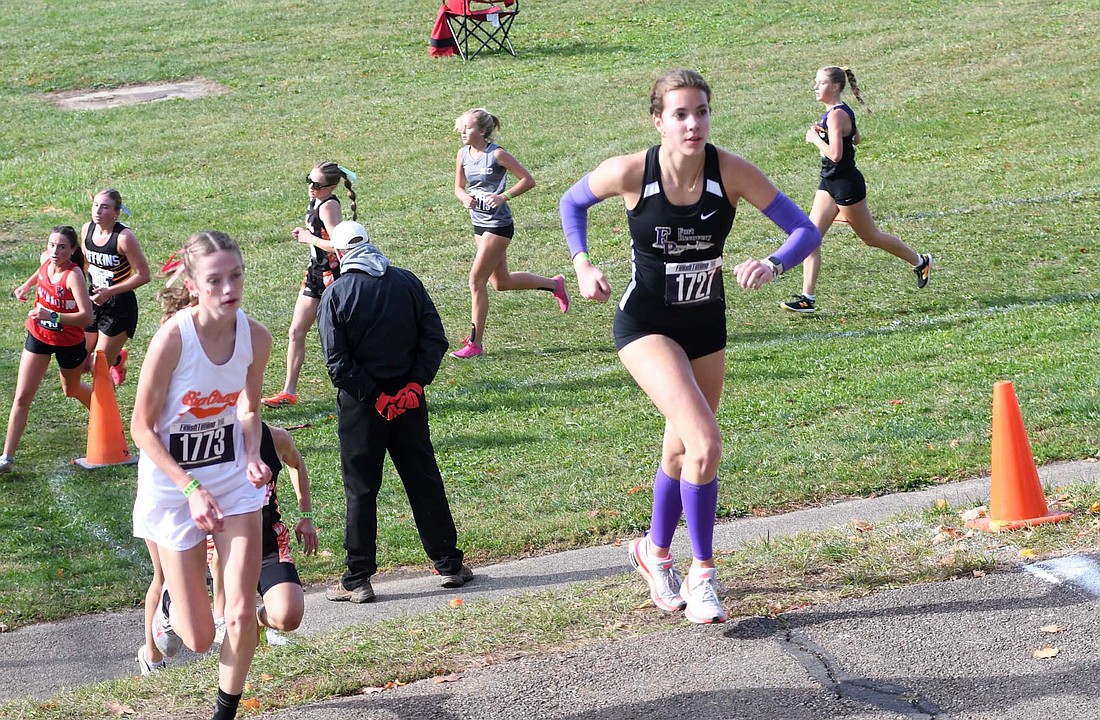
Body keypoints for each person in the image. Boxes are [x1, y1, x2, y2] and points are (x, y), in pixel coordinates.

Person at [559, 69, 822, 624]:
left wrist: (775, 264)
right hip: (645, 324)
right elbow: (571, 203)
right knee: (705, 442)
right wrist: (582, 263)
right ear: (659, 121)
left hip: (706, 325)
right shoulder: (633, 171)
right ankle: (703, 573)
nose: (693, 124)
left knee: (679, 452)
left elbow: (805, 230)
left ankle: (654, 556)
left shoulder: (730, 172)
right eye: (680, 114)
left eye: (701, 112)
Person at [130, 230, 273, 720]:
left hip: (233, 479)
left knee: (238, 611)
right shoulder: (173, 339)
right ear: (192, 285)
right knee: (198, 637)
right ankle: (171, 599)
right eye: (215, 280)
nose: (229, 289)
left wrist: (252, 453)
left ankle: (224, 713)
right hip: (173, 486)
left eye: (236, 276)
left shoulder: (256, 338)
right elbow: (141, 428)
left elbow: (249, 410)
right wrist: (189, 486)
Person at [317, 220, 472, 603]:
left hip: (362, 409)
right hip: (409, 402)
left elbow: (337, 363)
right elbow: (434, 338)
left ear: (338, 255)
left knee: (362, 490)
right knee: (423, 479)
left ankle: (358, 578)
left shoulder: (336, 295)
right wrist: (413, 386)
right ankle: (449, 564)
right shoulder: (407, 282)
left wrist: (376, 397)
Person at [780, 65, 932, 314]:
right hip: (828, 182)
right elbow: (856, 139)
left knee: (870, 237)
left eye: (820, 83)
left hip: (846, 185)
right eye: (815, 83)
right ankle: (808, 298)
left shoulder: (837, 114)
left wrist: (816, 139)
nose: (815, 87)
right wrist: (826, 134)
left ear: (836, 86)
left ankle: (920, 261)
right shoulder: (834, 113)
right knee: (810, 237)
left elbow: (837, 155)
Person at [450, 108, 569, 359]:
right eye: (462, 127)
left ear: (482, 131)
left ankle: (475, 343)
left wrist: (504, 196)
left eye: (468, 127)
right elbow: (458, 187)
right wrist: (464, 199)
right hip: (479, 223)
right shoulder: (463, 155)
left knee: (475, 280)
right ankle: (554, 284)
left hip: (498, 226)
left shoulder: (498, 154)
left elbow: (528, 179)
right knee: (500, 282)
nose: (463, 132)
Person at [208, 421, 318, 644]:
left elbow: (296, 463)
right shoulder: (211, 445)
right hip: (223, 545)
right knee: (205, 632)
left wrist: (306, 516)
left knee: (288, 617)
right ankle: (219, 616)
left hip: (268, 542)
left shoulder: (276, 438)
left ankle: (257, 620)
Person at [0, 226, 93, 475]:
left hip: (69, 342)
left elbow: (87, 316)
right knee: (21, 397)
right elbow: (40, 273)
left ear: (72, 250)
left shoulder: (73, 276)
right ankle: (7, 458)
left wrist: (52, 314)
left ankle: (104, 413)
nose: (55, 251)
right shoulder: (45, 259)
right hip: (39, 335)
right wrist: (26, 285)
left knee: (71, 389)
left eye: (62, 247)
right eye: (51, 245)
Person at [263, 162, 357, 407]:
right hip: (315, 272)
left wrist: (309, 238)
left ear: (332, 187)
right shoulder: (316, 201)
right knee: (296, 331)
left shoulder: (329, 206)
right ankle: (289, 392)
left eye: (317, 185)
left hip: (332, 276)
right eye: (309, 181)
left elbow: (340, 245)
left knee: (343, 335)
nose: (311, 188)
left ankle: (356, 385)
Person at [80, 188, 151, 384]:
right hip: (93, 300)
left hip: (119, 305)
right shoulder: (87, 229)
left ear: (116, 213)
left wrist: (110, 291)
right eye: (95, 206)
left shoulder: (123, 237)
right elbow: (86, 263)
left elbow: (144, 275)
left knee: (98, 369)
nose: (98, 211)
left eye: (105, 207)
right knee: (78, 362)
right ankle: (117, 358)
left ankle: (107, 415)